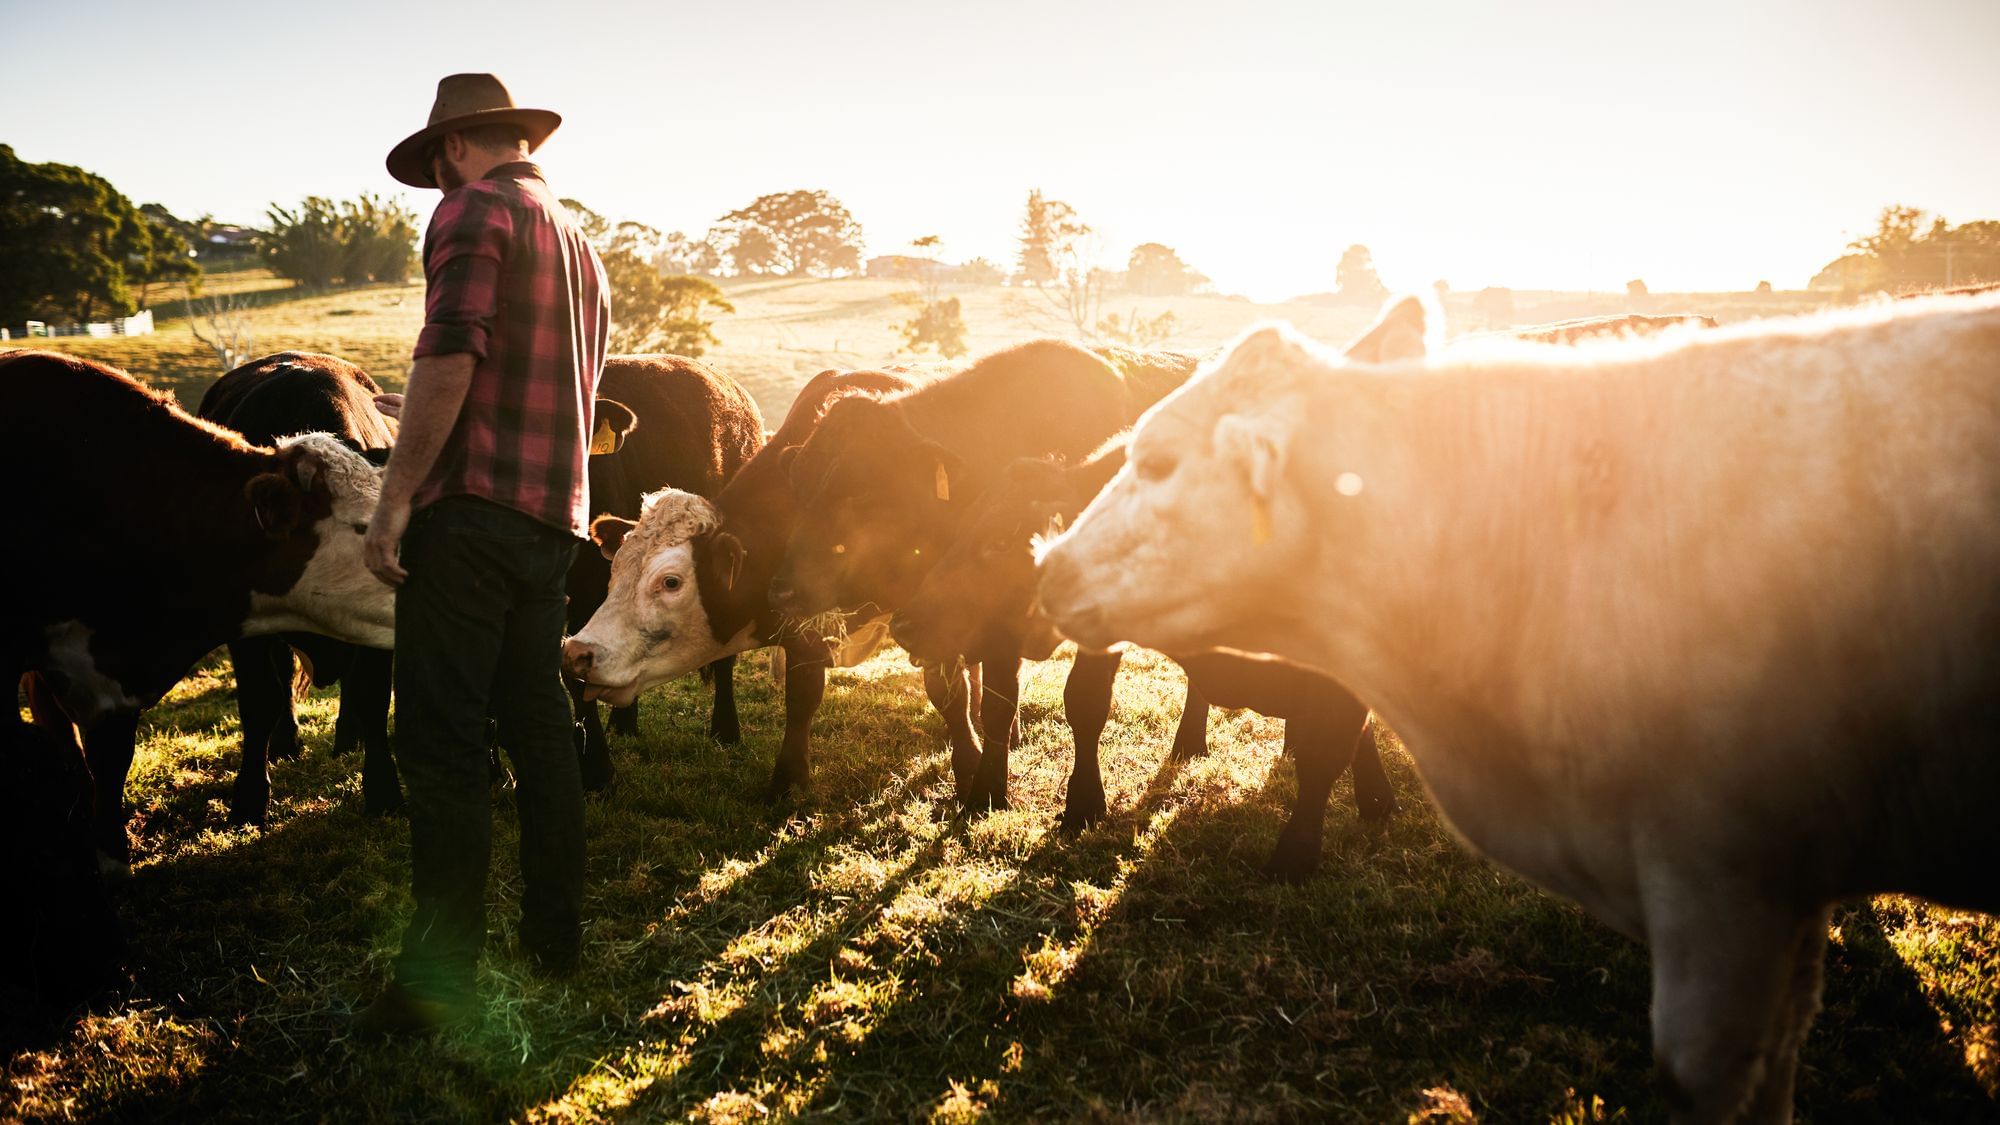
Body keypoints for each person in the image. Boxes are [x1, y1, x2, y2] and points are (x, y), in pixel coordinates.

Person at [354, 72, 609, 1037]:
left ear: (457, 147)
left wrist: (395, 496)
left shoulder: (471, 214)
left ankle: (437, 980)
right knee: (540, 729)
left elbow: (451, 351)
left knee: (441, 741)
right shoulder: (582, 243)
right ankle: (554, 939)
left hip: (467, 519)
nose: (436, 180)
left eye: (435, 163)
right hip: (555, 521)